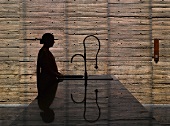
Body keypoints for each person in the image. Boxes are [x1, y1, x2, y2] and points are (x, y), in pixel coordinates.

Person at [36, 33, 63, 123]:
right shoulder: (44, 52)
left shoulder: (45, 51)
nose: (53, 42)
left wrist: (56, 74)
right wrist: (56, 74)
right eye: (52, 40)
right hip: (46, 80)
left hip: (47, 80)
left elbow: (48, 68)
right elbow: (47, 68)